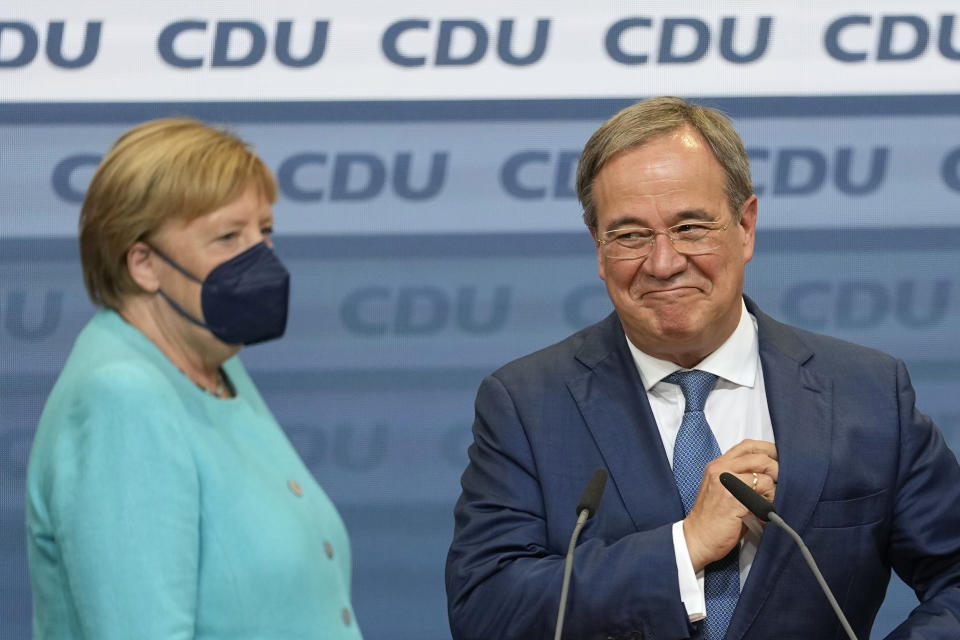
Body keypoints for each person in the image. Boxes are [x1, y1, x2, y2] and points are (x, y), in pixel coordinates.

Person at [445, 97, 960, 640]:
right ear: (598, 250)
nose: (663, 262)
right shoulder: (527, 404)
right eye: (630, 236)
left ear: (745, 226)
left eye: (691, 227)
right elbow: (486, 612)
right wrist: (684, 547)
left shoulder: (866, 393)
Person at [26, 118, 362, 639]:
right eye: (229, 237)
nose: (261, 256)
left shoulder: (215, 364)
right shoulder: (122, 395)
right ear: (143, 263)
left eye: (264, 231)